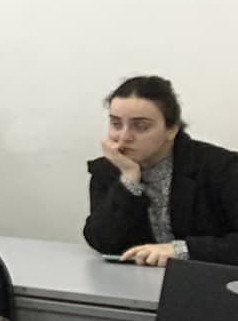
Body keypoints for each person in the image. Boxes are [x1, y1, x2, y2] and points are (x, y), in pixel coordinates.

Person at [84, 75, 238, 266]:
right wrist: (129, 180)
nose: (123, 137)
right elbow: (102, 241)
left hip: (211, 279)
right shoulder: (107, 170)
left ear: (171, 130)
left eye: (140, 126)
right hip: (137, 279)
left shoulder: (221, 167)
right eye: (116, 124)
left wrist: (183, 250)